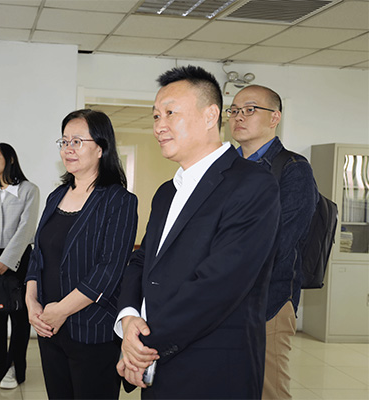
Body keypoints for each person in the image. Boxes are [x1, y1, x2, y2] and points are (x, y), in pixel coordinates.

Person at [115, 66, 281, 399]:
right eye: (156, 116)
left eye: (170, 113)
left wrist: (143, 345)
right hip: (156, 365)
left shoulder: (252, 184)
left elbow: (219, 285)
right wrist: (129, 318)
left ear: (210, 116)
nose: (159, 126)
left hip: (213, 369)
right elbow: (144, 261)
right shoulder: (167, 192)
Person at [25, 109, 138, 399]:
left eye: (77, 141)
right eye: (64, 142)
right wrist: (31, 301)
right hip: (50, 328)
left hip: (92, 330)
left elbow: (109, 269)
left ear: (100, 148)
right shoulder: (56, 196)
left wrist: (60, 310)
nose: (68, 149)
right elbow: (38, 255)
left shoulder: (119, 201)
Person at [229, 85, 319, 399]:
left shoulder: (292, 169)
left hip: (267, 300)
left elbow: (281, 242)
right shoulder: (224, 168)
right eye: (234, 110)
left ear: (275, 117)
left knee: (267, 387)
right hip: (219, 299)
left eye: (250, 109)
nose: (239, 117)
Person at [0, 143, 39, 389]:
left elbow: (26, 229)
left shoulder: (28, 190)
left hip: (19, 258)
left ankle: (15, 367)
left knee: (19, 315)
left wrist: (6, 261)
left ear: (10, 159)